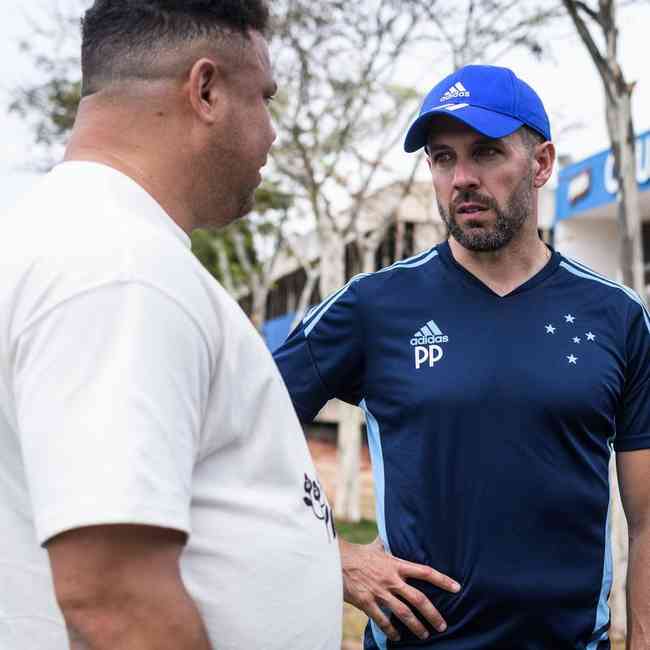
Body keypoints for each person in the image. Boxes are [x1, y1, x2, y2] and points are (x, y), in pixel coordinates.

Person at [0, 2, 342, 649]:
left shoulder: (86, 242)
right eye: (263, 98)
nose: (271, 132)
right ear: (206, 89)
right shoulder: (118, 268)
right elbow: (114, 600)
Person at [274, 64, 650, 649]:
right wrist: (336, 555)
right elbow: (237, 426)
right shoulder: (375, 305)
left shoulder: (617, 316)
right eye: (443, 157)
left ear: (542, 163)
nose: (462, 178)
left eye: (486, 153)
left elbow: (647, 523)